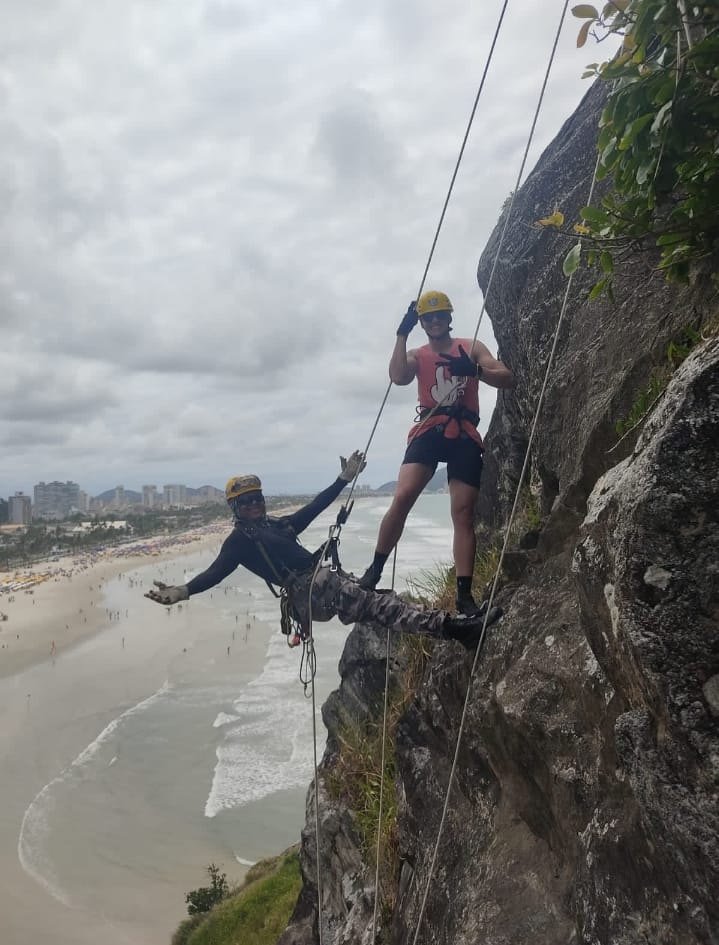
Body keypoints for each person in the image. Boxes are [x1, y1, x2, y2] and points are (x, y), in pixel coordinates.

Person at [144, 452, 501, 648]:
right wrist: (184, 591)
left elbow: (313, 508)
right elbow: (216, 571)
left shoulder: (274, 526)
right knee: (384, 607)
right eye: (246, 502)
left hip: (324, 583)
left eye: (257, 499)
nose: (254, 505)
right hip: (314, 591)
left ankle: (455, 626)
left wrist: (342, 481)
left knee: (386, 602)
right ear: (234, 508)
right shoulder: (240, 541)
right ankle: (459, 631)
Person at [359, 290, 514, 617]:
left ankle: (463, 596)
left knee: (462, 513)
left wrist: (474, 371)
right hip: (430, 428)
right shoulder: (417, 354)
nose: (434, 321)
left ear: (448, 317)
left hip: (464, 431)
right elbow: (398, 377)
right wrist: (401, 334)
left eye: (439, 315)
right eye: (427, 317)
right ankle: (374, 570)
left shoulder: (470, 348)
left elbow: (505, 377)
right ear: (422, 322)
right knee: (403, 495)